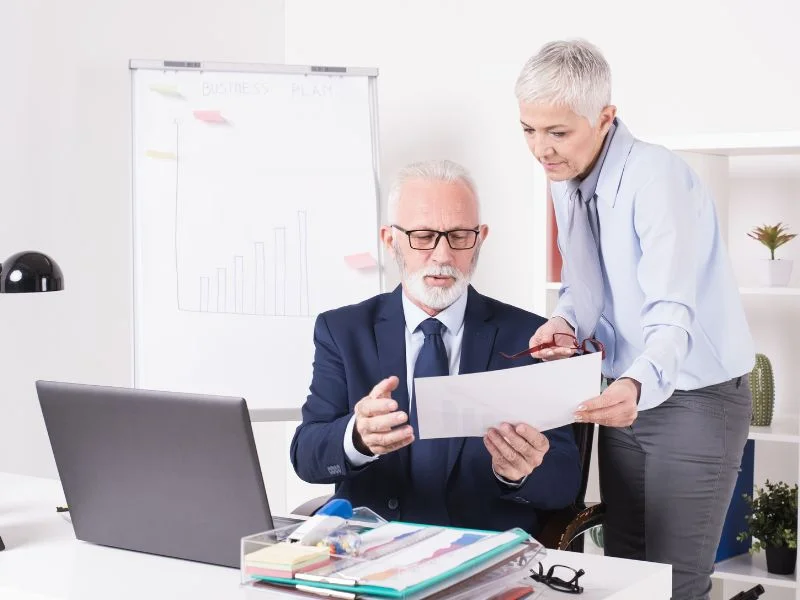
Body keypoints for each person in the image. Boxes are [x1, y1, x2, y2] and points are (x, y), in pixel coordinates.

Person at [514, 40, 755, 599]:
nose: (541, 149)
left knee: (675, 584)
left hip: (695, 396)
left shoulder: (656, 177)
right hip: (624, 396)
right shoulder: (565, 178)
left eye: (557, 132)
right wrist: (565, 321)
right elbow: (583, 282)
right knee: (623, 575)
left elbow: (673, 310)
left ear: (605, 117)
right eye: (528, 130)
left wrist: (636, 382)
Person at [290, 159, 581, 534]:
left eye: (460, 236)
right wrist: (356, 438)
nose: (443, 256)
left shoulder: (530, 338)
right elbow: (305, 455)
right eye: (424, 236)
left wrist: (518, 475)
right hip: (372, 554)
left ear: (481, 237)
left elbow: (564, 481)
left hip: (480, 557)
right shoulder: (342, 330)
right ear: (390, 239)